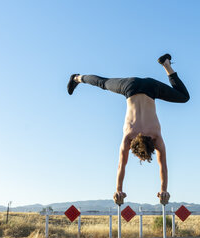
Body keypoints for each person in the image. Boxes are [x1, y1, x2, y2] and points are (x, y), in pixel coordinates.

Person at [67, 54, 190, 205]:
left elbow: (163, 165)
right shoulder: (129, 136)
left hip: (151, 87)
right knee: (103, 83)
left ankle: (166, 64)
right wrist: (118, 189)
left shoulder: (155, 135)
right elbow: (121, 165)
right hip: (129, 87)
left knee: (184, 97)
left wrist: (164, 189)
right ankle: (76, 78)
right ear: (134, 145)